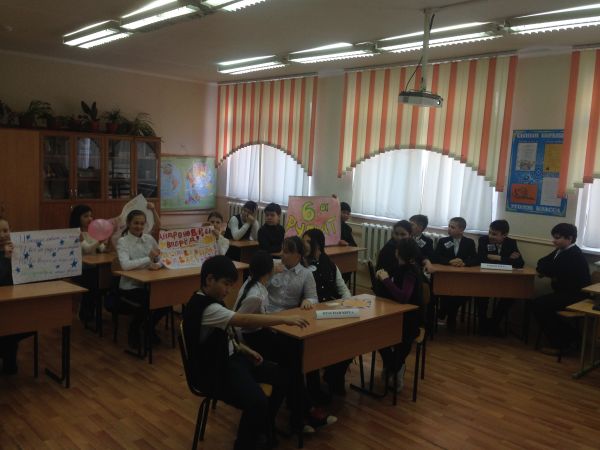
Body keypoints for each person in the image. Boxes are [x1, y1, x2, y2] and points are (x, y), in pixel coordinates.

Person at [183, 255, 309, 450]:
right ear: (209, 280)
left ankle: (263, 427)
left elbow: (226, 335)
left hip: (231, 360)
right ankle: (245, 443)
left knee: (285, 377)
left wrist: (243, 348)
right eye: (226, 284)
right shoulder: (205, 307)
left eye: (230, 285)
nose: (228, 290)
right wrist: (285, 319)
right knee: (257, 402)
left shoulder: (213, 300)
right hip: (213, 372)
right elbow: (244, 320)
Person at [266, 236, 337, 433]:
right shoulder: (273, 267)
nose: (283, 255)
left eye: (288, 252)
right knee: (294, 364)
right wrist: (270, 273)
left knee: (296, 361)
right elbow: (256, 288)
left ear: (298, 255)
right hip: (268, 322)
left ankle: (299, 414)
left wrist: (308, 301)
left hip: (288, 323)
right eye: (282, 250)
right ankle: (304, 413)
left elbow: (313, 297)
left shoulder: (306, 274)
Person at [303, 229, 352, 400]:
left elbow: (343, 289)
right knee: (314, 346)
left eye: (307, 241)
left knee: (351, 340)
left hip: (332, 310)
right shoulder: (302, 264)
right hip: (312, 314)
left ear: (317, 244)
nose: (304, 245)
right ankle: (316, 388)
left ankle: (333, 376)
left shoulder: (330, 263)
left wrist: (347, 305)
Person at [532, 223, 591, 355]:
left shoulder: (573, 254)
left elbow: (551, 269)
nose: (554, 241)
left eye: (557, 238)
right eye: (554, 237)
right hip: (564, 293)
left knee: (539, 305)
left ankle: (564, 341)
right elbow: (542, 262)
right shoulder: (560, 250)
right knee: (538, 304)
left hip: (576, 296)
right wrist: (547, 271)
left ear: (569, 238)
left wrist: (546, 271)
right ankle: (570, 337)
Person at [376, 238, 424, 392]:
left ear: (398, 253)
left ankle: (394, 367)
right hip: (396, 314)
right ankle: (394, 366)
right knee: (377, 335)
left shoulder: (410, 271)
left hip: (410, 319)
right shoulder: (399, 267)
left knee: (402, 342)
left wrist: (385, 279)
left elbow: (403, 297)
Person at [116, 207, 168, 349]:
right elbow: (125, 265)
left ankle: (148, 327)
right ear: (128, 223)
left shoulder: (149, 239)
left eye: (142, 223)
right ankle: (134, 330)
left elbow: (162, 256)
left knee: (167, 301)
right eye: (135, 223)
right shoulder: (123, 241)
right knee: (146, 302)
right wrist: (148, 259)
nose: (139, 226)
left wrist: (158, 264)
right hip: (130, 287)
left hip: (150, 284)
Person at [477, 219, 525, 336]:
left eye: (494, 234)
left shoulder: (511, 242)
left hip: (505, 279)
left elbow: (519, 263)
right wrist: (508, 259)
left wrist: (497, 258)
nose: (490, 236)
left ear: (504, 235)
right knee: (481, 296)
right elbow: (481, 259)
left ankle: (494, 323)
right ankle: (482, 324)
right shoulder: (483, 240)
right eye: (490, 232)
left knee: (510, 297)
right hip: (486, 277)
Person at [0, 216, 33, 375]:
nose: (2, 235)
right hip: (2, 306)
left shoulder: (18, 249)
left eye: (5, 230)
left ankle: (9, 360)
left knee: (17, 325)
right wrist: (6, 258)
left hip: (16, 301)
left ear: (11, 230)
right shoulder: (6, 254)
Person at [432, 217, 477, 330]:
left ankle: (444, 311)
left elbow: (475, 259)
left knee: (464, 293)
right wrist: (450, 261)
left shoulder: (469, 242)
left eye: (452, 227)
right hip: (446, 276)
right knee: (446, 291)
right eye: (449, 226)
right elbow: (435, 257)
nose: (449, 229)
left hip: (462, 277)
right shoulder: (443, 241)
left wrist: (464, 263)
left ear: (461, 230)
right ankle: (451, 317)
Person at [69, 204, 110, 323]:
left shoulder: (93, 231)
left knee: (104, 282)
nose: (90, 219)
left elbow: (102, 249)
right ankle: (85, 314)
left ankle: (93, 314)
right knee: (93, 285)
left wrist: (107, 243)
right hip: (80, 270)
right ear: (78, 218)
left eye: (91, 216)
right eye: (86, 216)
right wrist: (99, 241)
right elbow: (87, 249)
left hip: (93, 268)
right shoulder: (76, 233)